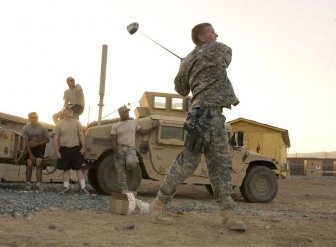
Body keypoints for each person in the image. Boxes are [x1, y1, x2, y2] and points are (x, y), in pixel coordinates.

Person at [149, 23, 246, 231]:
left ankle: (228, 214)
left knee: (220, 164)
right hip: (204, 115)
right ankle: (158, 205)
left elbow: (181, 89)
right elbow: (228, 56)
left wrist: (187, 64)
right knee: (188, 163)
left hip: (211, 116)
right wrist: (198, 60)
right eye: (212, 32)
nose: (217, 34)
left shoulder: (187, 62)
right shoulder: (216, 48)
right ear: (202, 37)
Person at [111, 105, 156, 193]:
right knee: (120, 171)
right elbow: (113, 139)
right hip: (120, 148)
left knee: (132, 163)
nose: (127, 113)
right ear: (120, 113)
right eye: (125, 112)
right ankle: (124, 190)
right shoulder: (115, 126)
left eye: (128, 111)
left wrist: (153, 128)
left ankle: (128, 167)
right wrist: (116, 152)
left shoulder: (133, 123)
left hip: (131, 149)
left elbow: (142, 132)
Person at [53, 105, 89, 195]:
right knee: (66, 170)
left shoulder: (77, 122)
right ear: (64, 112)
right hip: (63, 149)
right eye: (68, 110)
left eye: (71, 110)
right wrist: (57, 151)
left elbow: (81, 135)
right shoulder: (59, 124)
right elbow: (55, 138)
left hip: (75, 149)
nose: (70, 111)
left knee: (79, 169)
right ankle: (65, 188)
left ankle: (83, 188)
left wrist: (83, 147)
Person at [22, 112, 49, 191]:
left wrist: (37, 144)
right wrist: (30, 154)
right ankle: (28, 184)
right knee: (29, 164)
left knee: (38, 163)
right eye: (33, 117)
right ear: (29, 118)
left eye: (36, 117)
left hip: (40, 147)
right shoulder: (26, 128)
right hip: (30, 148)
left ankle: (39, 184)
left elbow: (47, 140)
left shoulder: (43, 127)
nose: (35, 118)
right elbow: (26, 143)